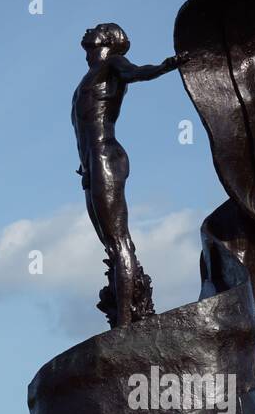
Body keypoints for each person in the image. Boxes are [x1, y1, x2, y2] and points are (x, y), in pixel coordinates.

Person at [72, 23, 186, 327]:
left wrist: (166, 66)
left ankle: (125, 326)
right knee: (113, 245)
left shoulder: (112, 64)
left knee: (119, 240)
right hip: (89, 165)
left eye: (97, 28)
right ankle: (126, 314)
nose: (88, 29)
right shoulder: (89, 75)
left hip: (105, 154)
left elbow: (137, 72)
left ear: (109, 40)